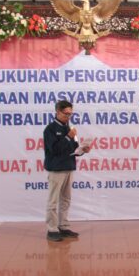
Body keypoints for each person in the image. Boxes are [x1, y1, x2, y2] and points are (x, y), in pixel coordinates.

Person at [43, 100, 90, 242]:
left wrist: (82, 150)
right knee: (53, 201)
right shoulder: (50, 129)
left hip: (69, 166)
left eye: (70, 113)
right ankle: (52, 229)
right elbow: (55, 149)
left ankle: (63, 226)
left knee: (66, 200)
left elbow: (74, 148)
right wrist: (68, 136)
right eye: (65, 113)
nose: (68, 116)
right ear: (57, 112)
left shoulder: (70, 128)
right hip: (56, 169)